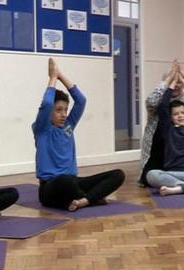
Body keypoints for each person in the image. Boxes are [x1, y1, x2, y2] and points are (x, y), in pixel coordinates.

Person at [32, 58, 125, 211]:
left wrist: (61, 75)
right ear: (49, 113)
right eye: (58, 110)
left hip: (73, 182)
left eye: (65, 110)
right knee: (65, 181)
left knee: (118, 175)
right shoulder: (42, 129)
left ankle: (83, 201)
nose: (63, 114)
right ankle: (92, 197)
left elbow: (81, 100)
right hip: (51, 188)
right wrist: (53, 78)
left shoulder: (69, 126)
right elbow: (47, 104)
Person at [137, 60, 184, 187]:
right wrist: (169, 81)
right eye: (172, 82)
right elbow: (152, 102)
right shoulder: (160, 98)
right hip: (159, 144)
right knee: (149, 177)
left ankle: (180, 185)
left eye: (179, 82)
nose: (176, 85)